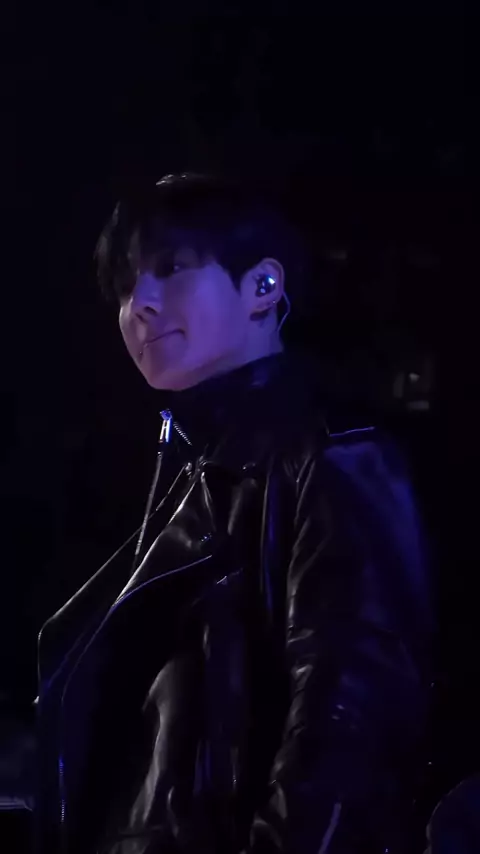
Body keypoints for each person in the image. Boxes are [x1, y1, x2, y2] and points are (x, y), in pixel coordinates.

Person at [35, 172, 433, 854]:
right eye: (126, 285)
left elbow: (351, 718)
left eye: (171, 269)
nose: (140, 306)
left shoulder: (333, 457)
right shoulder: (189, 472)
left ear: (263, 287)